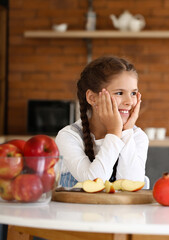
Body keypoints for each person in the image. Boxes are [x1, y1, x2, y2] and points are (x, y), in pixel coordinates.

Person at [56, 56, 148, 187]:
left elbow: (132, 186)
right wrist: (114, 132)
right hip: (78, 208)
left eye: (133, 93)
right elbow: (92, 182)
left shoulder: (138, 137)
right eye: (120, 93)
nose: (129, 101)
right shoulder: (69, 136)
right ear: (92, 98)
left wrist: (126, 133)